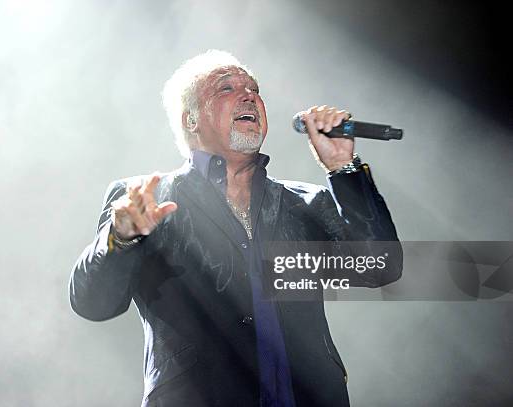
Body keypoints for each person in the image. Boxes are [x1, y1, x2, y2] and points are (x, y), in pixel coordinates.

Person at [69, 50, 402, 407]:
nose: (249, 96)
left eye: (254, 89)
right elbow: (94, 304)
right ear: (191, 119)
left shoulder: (305, 203)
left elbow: (380, 268)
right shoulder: (147, 198)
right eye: (226, 88)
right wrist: (120, 239)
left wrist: (343, 167)